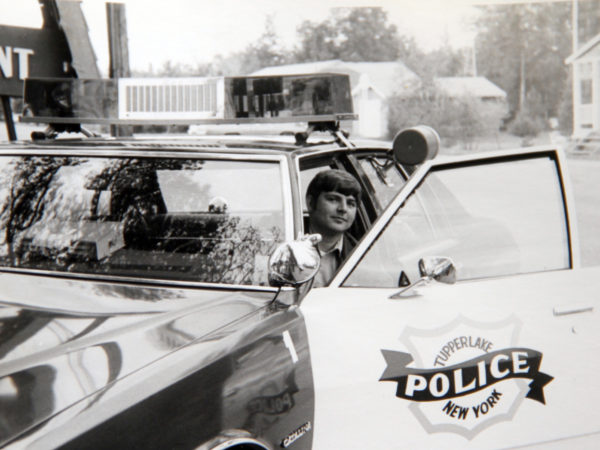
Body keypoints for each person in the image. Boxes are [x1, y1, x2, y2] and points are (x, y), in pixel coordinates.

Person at [305, 169, 362, 287]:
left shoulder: (361, 258)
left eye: (351, 203)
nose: (343, 209)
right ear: (310, 203)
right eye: (333, 199)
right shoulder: (282, 242)